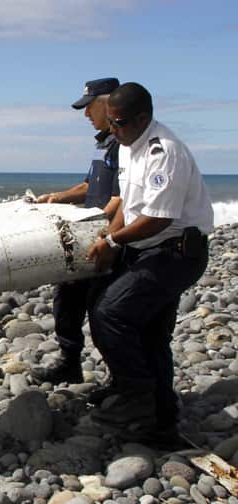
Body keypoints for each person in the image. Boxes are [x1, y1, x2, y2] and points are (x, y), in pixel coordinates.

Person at [87, 83, 212, 444]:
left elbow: (157, 218)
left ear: (144, 118)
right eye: (110, 122)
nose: (113, 130)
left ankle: (136, 398)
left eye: (120, 123)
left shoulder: (164, 153)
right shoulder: (129, 145)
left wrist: (112, 241)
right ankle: (160, 423)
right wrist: (111, 238)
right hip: (149, 249)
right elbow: (128, 202)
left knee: (112, 313)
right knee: (149, 334)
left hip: (176, 253)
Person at [31, 77, 121, 386]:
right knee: (66, 298)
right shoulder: (102, 144)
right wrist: (56, 197)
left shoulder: (124, 145)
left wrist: (104, 235)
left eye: (89, 108)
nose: (86, 115)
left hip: (108, 238)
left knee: (103, 311)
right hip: (88, 234)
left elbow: (121, 200)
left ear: (109, 104)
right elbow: (88, 187)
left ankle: (119, 379)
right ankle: (69, 361)